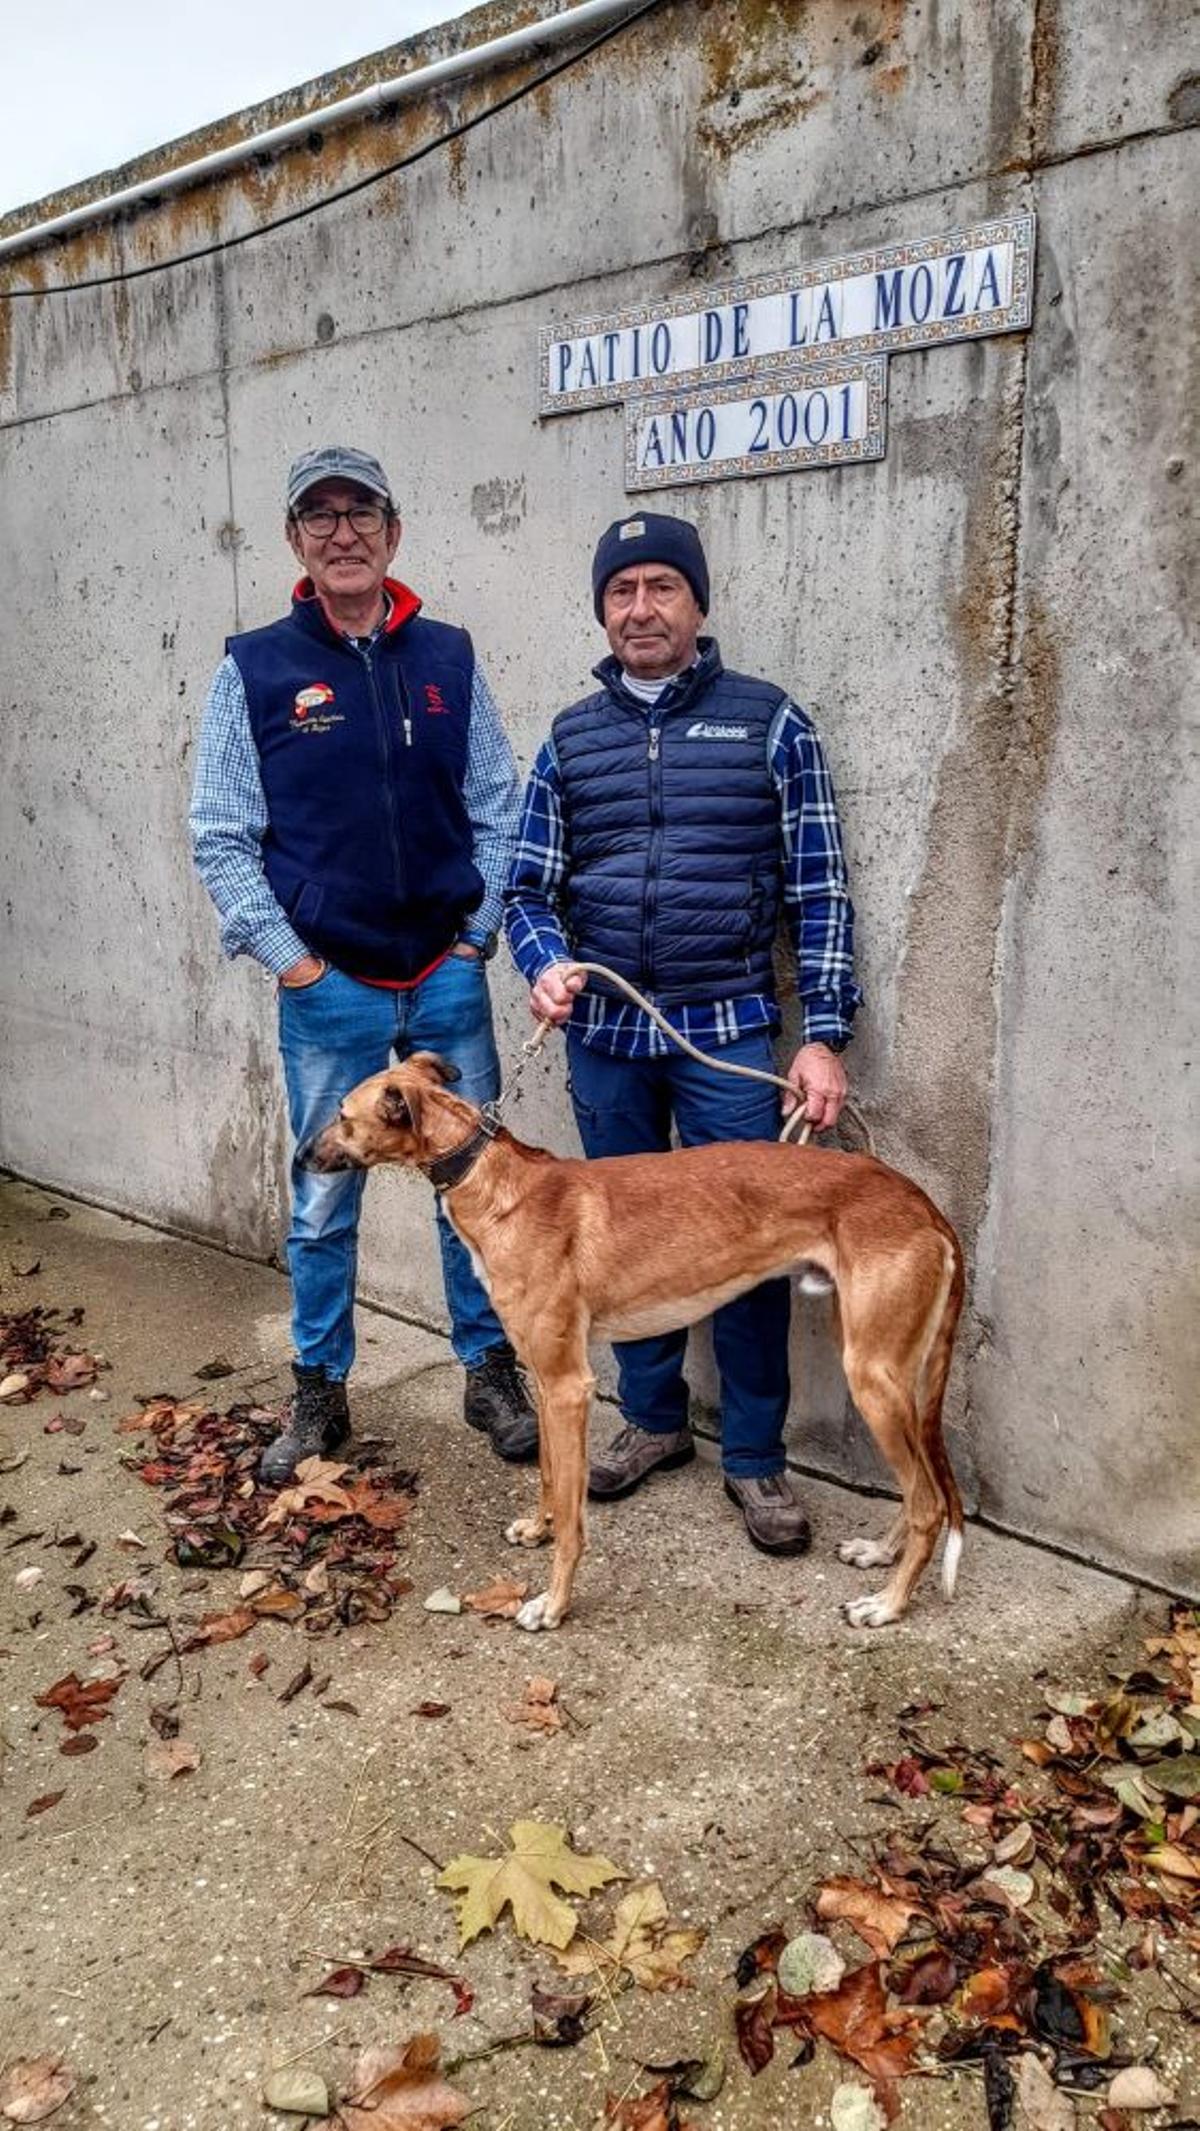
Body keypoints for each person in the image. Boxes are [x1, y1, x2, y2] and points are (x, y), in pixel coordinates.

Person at [503, 511, 862, 1554]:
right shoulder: (571, 737)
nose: (641, 607)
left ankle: (756, 1462)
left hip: (730, 1037)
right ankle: (651, 1423)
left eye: (662, 586)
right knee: (611, 1253)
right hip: (607, 1038)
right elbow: (525, 890)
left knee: (749, 1251)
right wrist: (545, 963)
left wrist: (823, 1031)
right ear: (602, 610)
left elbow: (821, 889)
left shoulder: (770, 722)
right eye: (622, 591)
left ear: (698, 604)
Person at [191, 445, 536, 1482]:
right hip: (329, 981)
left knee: (475, 1178)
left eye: (361, 512)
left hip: (443, 968)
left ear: (394, 529)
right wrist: (294, 963)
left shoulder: (449, 658)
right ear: (296, 538)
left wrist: (477, 937)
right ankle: (318, 1393)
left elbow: (500, 804)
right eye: (320, 515)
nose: (343, 531)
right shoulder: (254, 667)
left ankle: (488, 1370)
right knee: (323, 1197)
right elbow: (219, 833)